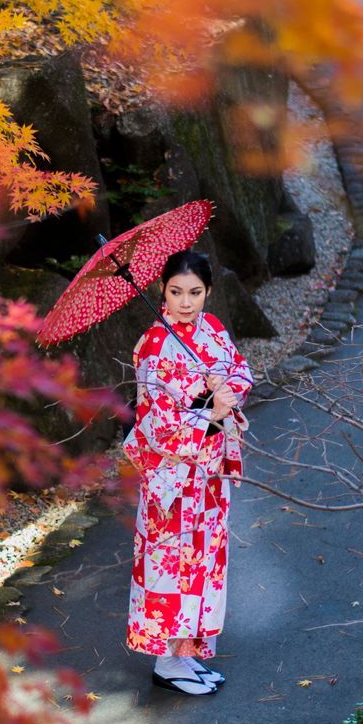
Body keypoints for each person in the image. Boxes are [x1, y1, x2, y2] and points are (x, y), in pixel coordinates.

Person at [121, 249, 253, 696]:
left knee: (204, 560)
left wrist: (227, 389)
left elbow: (240, 369)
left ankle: (185, 654)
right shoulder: (154, 345)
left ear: (208, 292)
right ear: (162, 290)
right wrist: (208, 411)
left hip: (209, 470)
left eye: (195, 292)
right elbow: (155, 424)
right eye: (176, 292)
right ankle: (166, 662)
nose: (184, 302)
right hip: (173, 476)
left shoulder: (212, 329)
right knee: (170, 565)